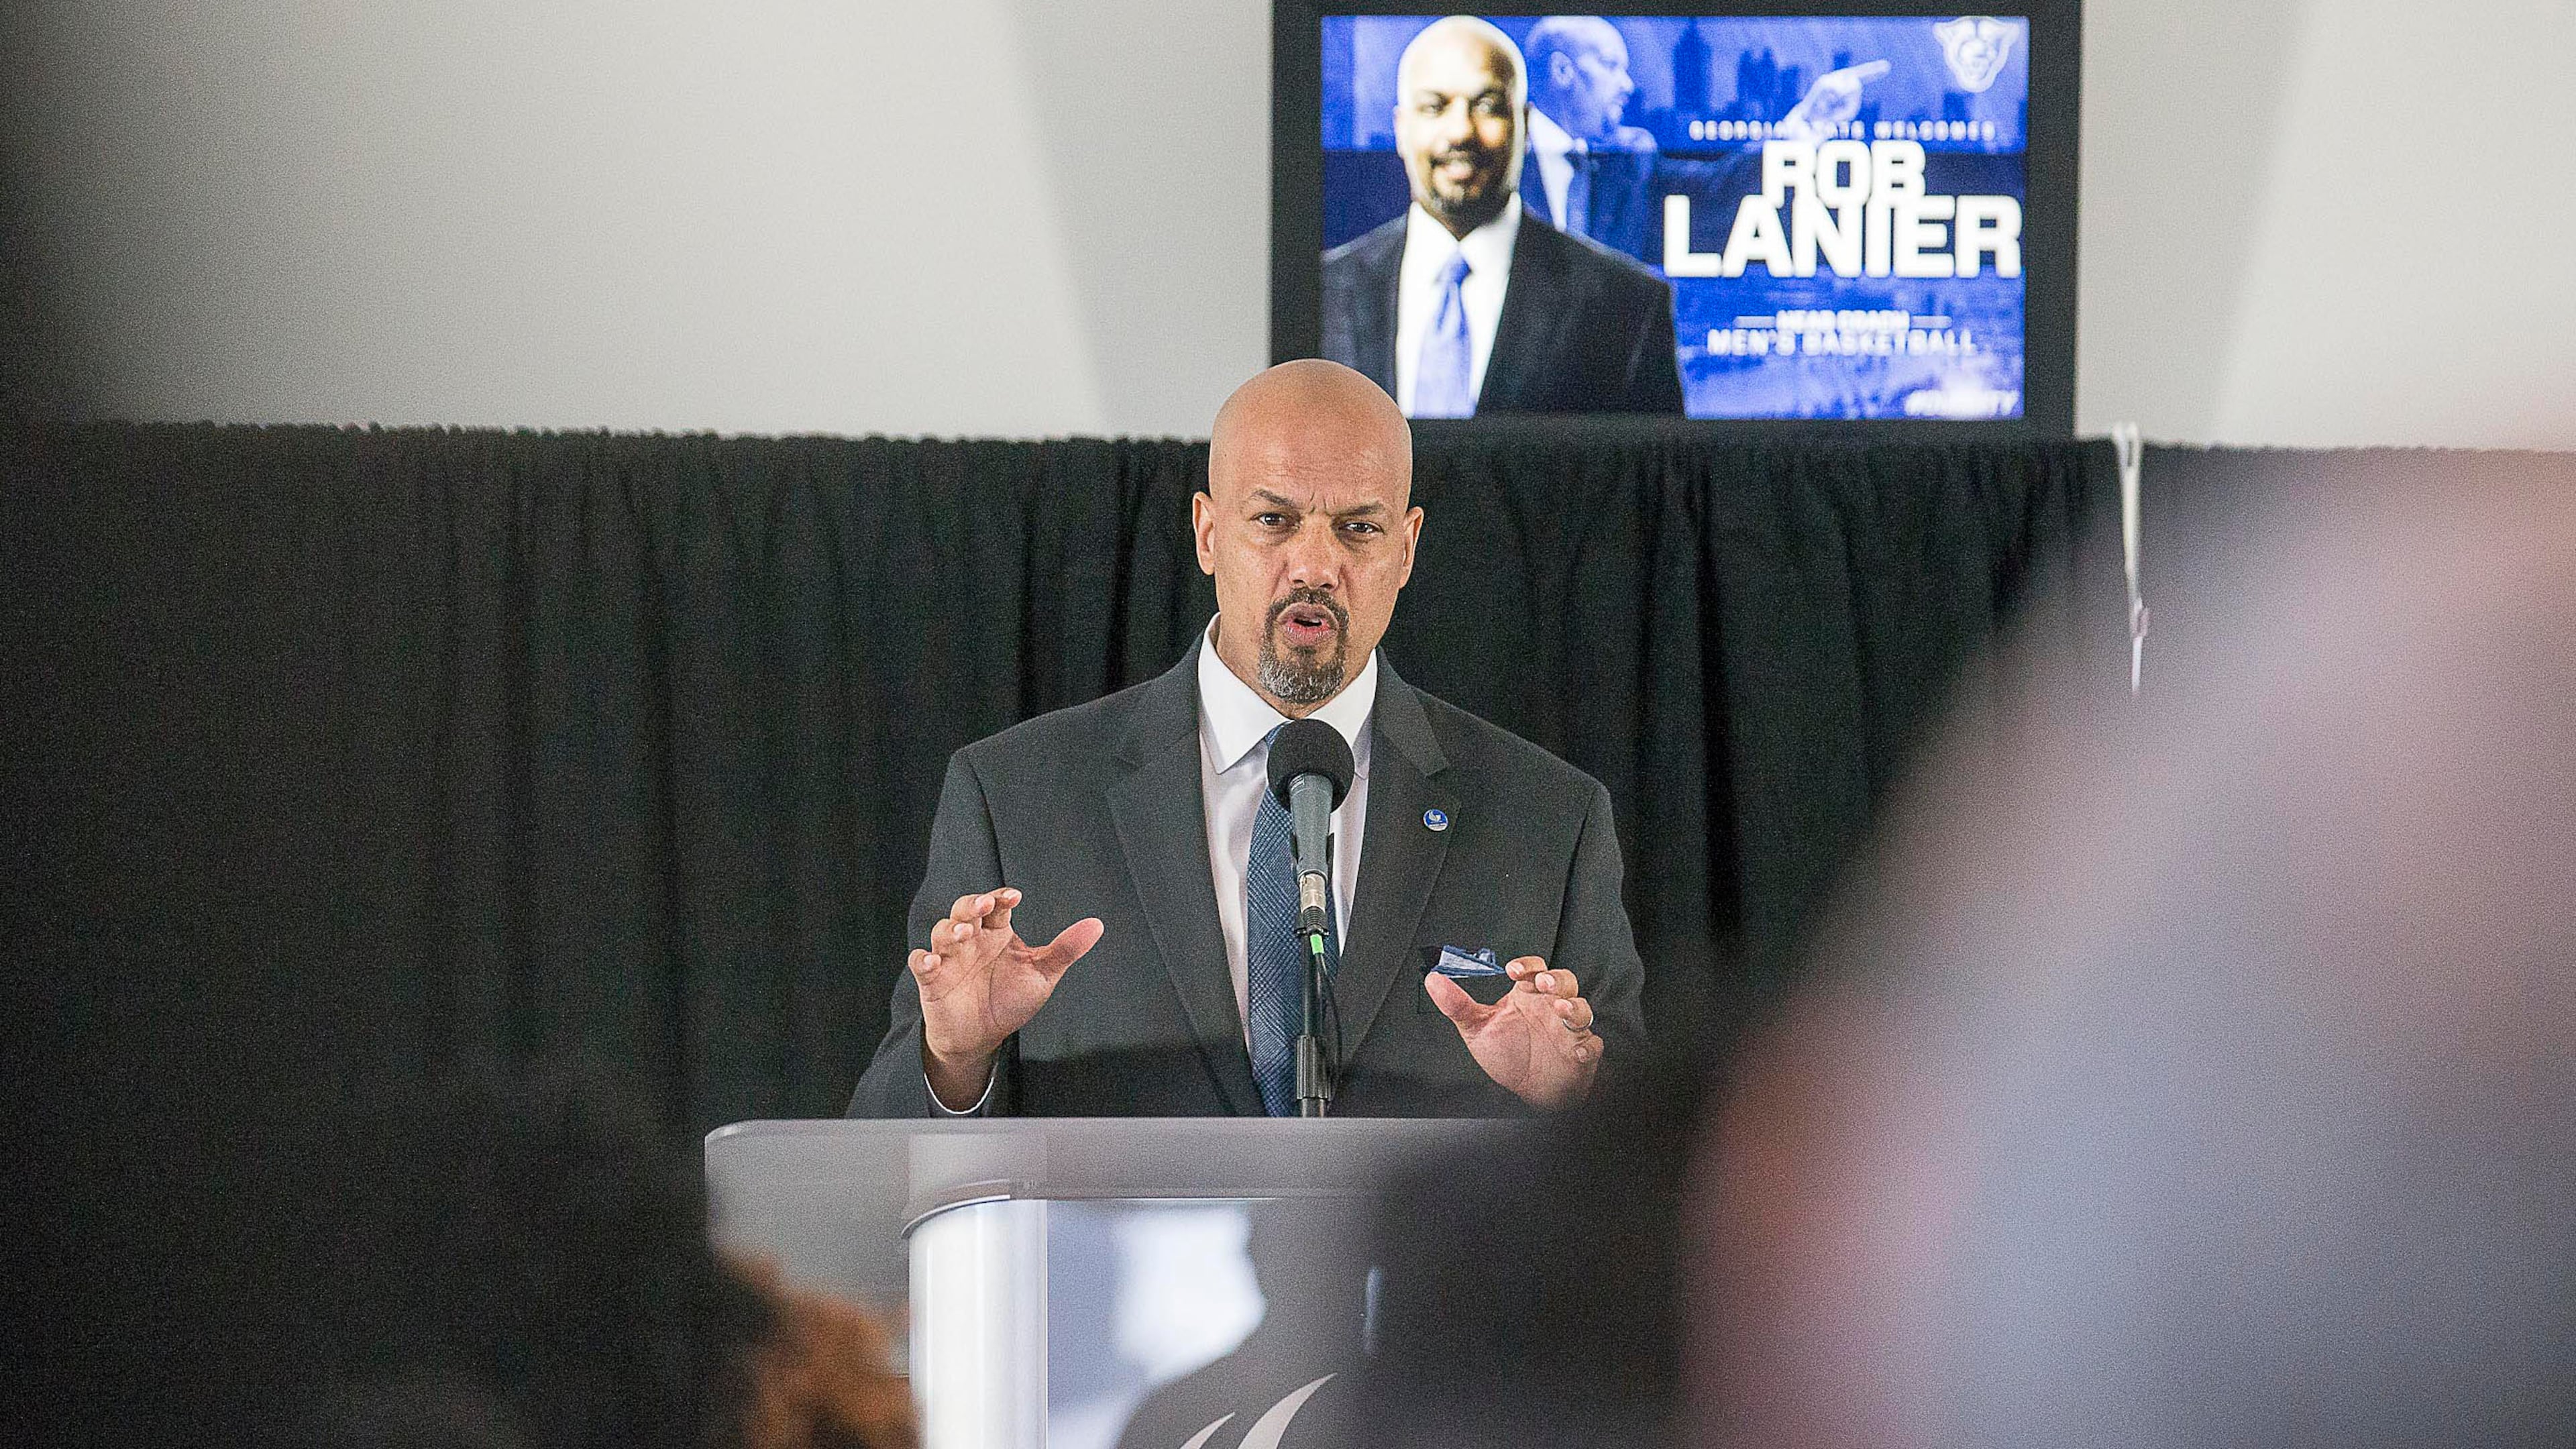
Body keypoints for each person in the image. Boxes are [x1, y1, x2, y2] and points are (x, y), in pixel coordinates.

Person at [846, 359, 1644, 1118]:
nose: (1316, 565)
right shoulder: (1017, 798)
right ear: (1206, 532)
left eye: (1358, 530)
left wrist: (1579, 1105)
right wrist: (955, 1060)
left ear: (1406, 549)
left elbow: (1662, 1168)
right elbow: (877, 1160)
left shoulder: (1549, 821)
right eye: (1275, 520)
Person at [1320, 17, 1683, 417]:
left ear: (1525, 126)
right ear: (1402, 130)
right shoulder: (1324, 292)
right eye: (1434, 106)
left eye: (1488, 106)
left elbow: (1658, 477)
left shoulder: (1628, 306)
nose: (1460, 132)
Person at [1518, 16, 1890, 266]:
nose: (1628, 86)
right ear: (1562, 71)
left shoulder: (1632, 158)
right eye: (1611, 66)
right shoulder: (1496, 158)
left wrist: (1804, 124)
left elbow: (1718, 186)